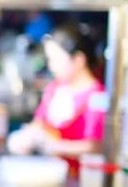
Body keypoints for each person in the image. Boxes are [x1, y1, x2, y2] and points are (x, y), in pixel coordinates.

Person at [8, 24, 108, 176]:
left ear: (78, 60)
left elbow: (95, 146)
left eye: (56, 59)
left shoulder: (98, 96)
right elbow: (39, 123)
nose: (51, 65)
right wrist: (26, 137)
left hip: (82, 181)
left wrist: (55, 146)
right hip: (52, 176)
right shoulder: (54, 88)